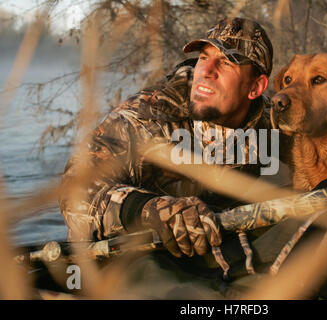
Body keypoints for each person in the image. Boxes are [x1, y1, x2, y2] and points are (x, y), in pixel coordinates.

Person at [59, 18, 274, 263]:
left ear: (256, 87)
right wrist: (149, 209)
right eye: (204, 57)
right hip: (124, 262)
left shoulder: (270, 120)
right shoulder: (146, 117)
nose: (206, 71)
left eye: (226, 62)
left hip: (214, 256)